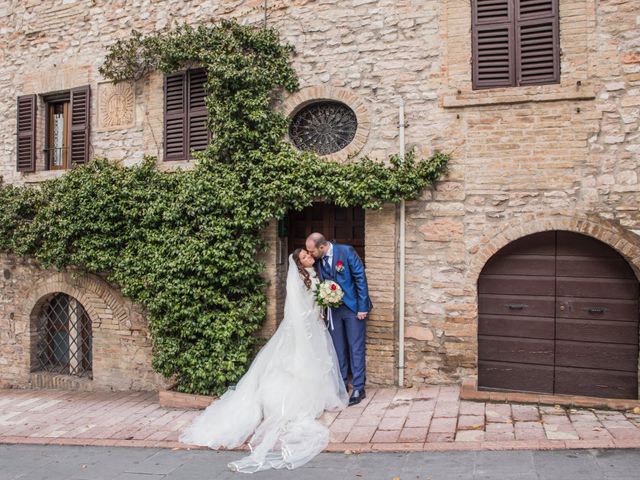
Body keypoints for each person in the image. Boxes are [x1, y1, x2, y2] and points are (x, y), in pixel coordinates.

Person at [179, 249, 348, 473]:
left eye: (309, 254)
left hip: (314, 326)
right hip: (301, 329)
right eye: (305, 257)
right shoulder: (297, 278)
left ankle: (317, 397)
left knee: (317, 362)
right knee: (295, 365)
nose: (309, 257)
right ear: (298, 263)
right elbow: (295, 309)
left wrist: (325, 302)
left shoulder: (314, 273)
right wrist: (310, 320)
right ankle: (290, 404)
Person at [305, 233, 372, 406]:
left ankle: (358, 387)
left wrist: (362, 306)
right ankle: (341, 384)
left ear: (321, 247)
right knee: (337, 348)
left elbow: (360, 278)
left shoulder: (346, 251)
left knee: (355, 347)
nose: (310, 254)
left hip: (353, 308)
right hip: (332, 311)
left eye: (312, 251)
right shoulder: (318, 261)